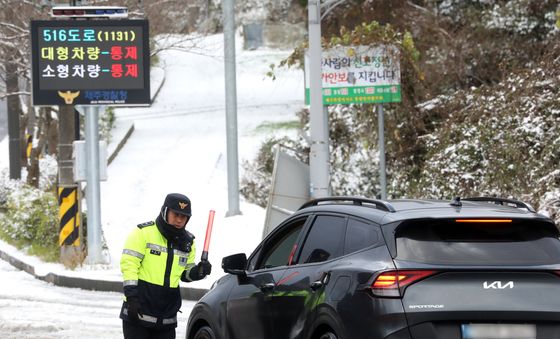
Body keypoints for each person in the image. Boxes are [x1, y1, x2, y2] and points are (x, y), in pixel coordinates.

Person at [119, 193, 212, 339]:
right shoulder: (143, 233)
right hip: (138, 313)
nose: (179, 220)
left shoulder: (188, 242)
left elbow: (184, 274)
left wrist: (198, 271)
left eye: (184, 216)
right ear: (165, 211)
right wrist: (131, 298)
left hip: (166, 318)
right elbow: (129, 265)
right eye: (176, 214)